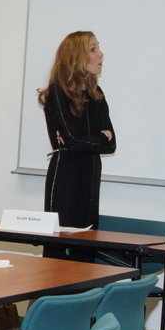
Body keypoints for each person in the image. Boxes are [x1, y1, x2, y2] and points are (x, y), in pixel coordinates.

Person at [39, 31, 114, 231]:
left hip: (90, 174)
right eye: (93, 49)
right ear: (76, 57)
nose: (101, 54)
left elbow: (111, 145)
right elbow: (72, 141)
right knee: (61, 239)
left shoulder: (96, 94)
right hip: (66, 174)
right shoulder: (58, 91)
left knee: (88, 237)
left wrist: (82, 140)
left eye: (98, 48)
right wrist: (101, 137)